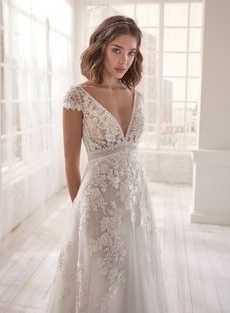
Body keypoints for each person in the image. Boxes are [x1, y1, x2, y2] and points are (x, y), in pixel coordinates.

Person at [46, 15, 169, 313]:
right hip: (97, 203)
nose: (124, 60)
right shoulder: (78, 97)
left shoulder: (135, 96)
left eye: (131, 52)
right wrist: (81, 211)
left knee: (135, 271)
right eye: (117, 49)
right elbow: (71, 163)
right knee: (100, 277)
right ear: (100, 47)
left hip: (136, 199)